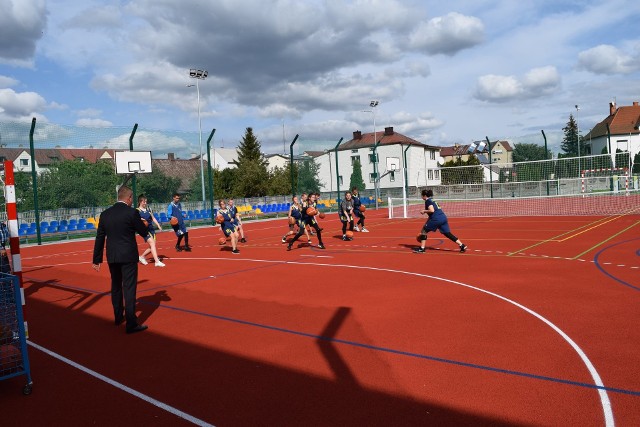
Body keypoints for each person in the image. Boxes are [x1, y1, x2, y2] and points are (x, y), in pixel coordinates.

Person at [92, 186, 149, 334]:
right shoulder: (132, 213)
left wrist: (96, 259)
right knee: (129, 288)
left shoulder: (105, 214)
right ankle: (131, 323)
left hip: (113, 256)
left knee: (116, 286)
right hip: (128, 255)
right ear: (129, 198)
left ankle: (118, 317)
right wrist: (145, 226)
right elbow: (142, 231)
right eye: (131, 199)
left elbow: (99, 237)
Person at [414, 189, 467, 253]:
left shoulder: (428, 201)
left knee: (424, 231)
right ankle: (462, 245)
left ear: (425, 196)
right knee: (447, 233)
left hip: (436, 219)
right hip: (443, 217)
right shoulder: (433, 200)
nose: (421, 197)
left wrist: (424, 211)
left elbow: (432, 210)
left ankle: (422, 249)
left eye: (422, 195)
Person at [136, 194, 165, 267]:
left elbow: (153, 218)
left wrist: (158, 225)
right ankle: (157, 261)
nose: (145, 203)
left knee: (152, 245)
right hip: (144, 230)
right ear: (140, 202)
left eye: (146, 202)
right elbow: (135, 220)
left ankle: (142, 257)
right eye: (144, 202)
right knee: (152, 244)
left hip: (151, 229)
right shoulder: (137, 211)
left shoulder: (148, 210)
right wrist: (141, 220)